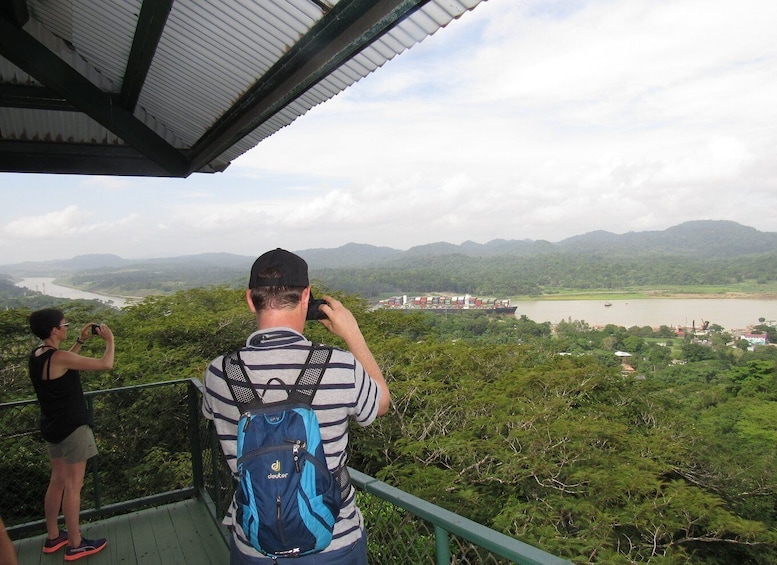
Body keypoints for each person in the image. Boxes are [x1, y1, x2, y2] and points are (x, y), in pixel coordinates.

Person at [202, 248, 391, 565]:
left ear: (251, 299)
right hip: (334, 542)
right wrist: (353, 334)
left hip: (253, 544)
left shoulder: (219, 373)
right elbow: (381, 403)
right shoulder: (339, 367)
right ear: (306, 297)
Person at [28, 308, 114, 561]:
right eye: (64, 324)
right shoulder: (59, 358)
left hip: (52, 426)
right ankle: (75, 543)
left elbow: (62, 365)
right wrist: (109, 341)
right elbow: (105, 364)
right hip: (73, 428)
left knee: (57, 481)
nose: (66, 327)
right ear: (55, 330)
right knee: (73, 486)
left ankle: (54, 535)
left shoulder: (38, 355)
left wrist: (79, 341)